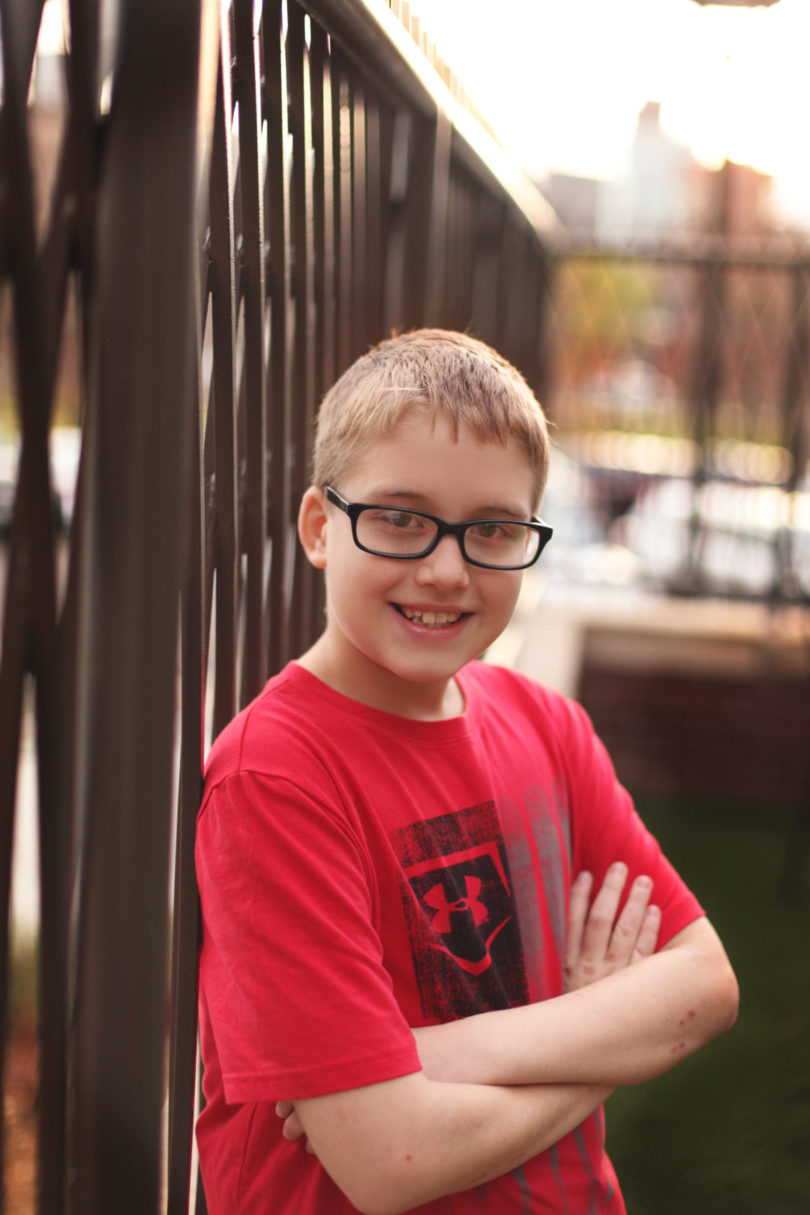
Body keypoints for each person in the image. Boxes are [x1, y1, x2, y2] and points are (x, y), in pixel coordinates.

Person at [195, 329, 739, 1215]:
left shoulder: (546, 725)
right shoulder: (277, 776)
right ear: (320, 528)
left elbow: (707, 983)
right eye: (402, 517)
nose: (447, 569)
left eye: (492, 528)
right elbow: (390, 1160)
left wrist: (436, 1052)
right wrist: (602, 1037)